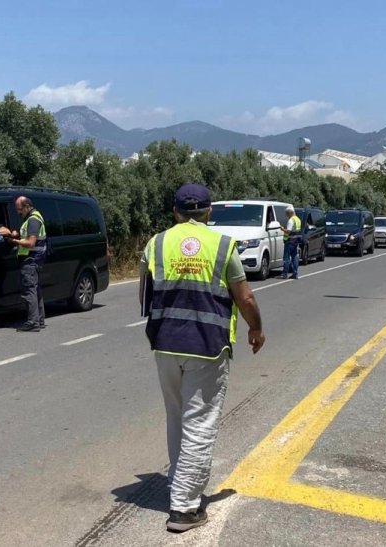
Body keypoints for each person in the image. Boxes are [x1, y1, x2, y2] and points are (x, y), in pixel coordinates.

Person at [139, 182, 265, 533]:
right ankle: (184, 508)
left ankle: (177, 484)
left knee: (177, 417)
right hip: (207, 346)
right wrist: (256, 329)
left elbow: (145, 296)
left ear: (175, 212)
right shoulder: (223, 245)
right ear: (209, 212)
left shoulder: (156, 243)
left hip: (164, 344)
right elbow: (246, 298)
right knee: (200, 423)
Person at [0, 196, 47, 332]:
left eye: (19, 209)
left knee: (29, 291)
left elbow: (30, 243)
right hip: (35, 260)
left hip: (30, 260)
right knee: (35, 291)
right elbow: (25, 235)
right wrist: (16, 234)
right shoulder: (31, 217)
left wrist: (14, 241)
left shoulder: (32, 220)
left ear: (26, 206)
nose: (18, 212)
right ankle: (40, 320)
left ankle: (33, 322)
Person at [280, 206, 301, 280]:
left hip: (289, 241)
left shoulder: (291, 220)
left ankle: (285, 274)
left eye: (287, 213)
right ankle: (295, 274)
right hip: (295, 241)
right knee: (294, 257)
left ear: (290, 212)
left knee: (286, 258)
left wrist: (282, 229)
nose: (286, 215)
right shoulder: (298, 219)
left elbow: (288, 231)